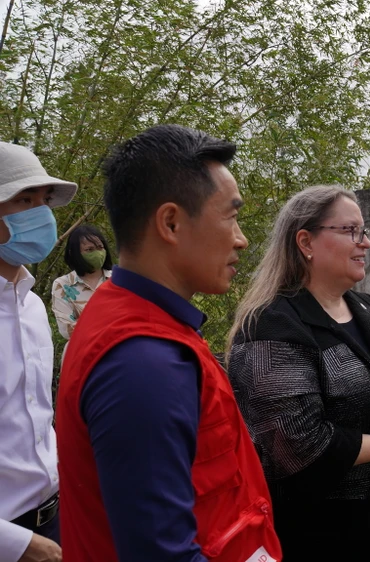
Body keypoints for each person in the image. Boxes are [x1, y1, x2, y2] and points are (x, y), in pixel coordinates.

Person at [55, 125, 282, 561]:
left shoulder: (137, 320)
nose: (241, 238)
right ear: (171, 223)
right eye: (230, 216)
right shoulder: (143, 361)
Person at [225, 185, 370, 561]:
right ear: (306, 242)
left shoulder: (366, 308)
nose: (365, 243)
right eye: (350, 231)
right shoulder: (271, 325)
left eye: (364, 231)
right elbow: (297, 444)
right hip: (309, 529)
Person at [0, 141, 77, 562]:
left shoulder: (30, 304)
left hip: (54, 518)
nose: (42, 215)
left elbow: (35, 417)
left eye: (44, 200)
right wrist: (17, 545)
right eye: (24, 200)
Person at [51, 224, 113, 355]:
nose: (97, 253)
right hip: (83, 353)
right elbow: (67, 328)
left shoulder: (119, 280)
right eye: (89, 249)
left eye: (100, 247)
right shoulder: (63, 285)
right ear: (75, 254)